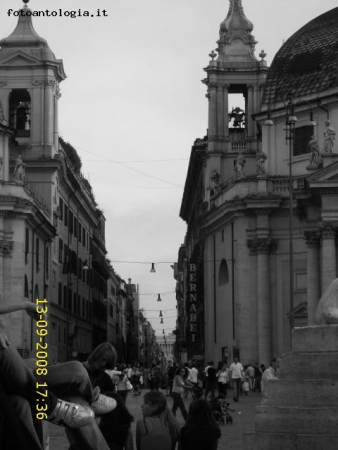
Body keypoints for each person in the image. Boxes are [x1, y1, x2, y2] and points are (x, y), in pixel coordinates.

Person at [0, 300, 113, 450]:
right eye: (102, 359)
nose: (102, 364)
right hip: (10, 369)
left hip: (18, 370)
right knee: (78, 371)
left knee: (76, 395)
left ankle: (78, 401)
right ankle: (55, 404)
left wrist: (25, 305)